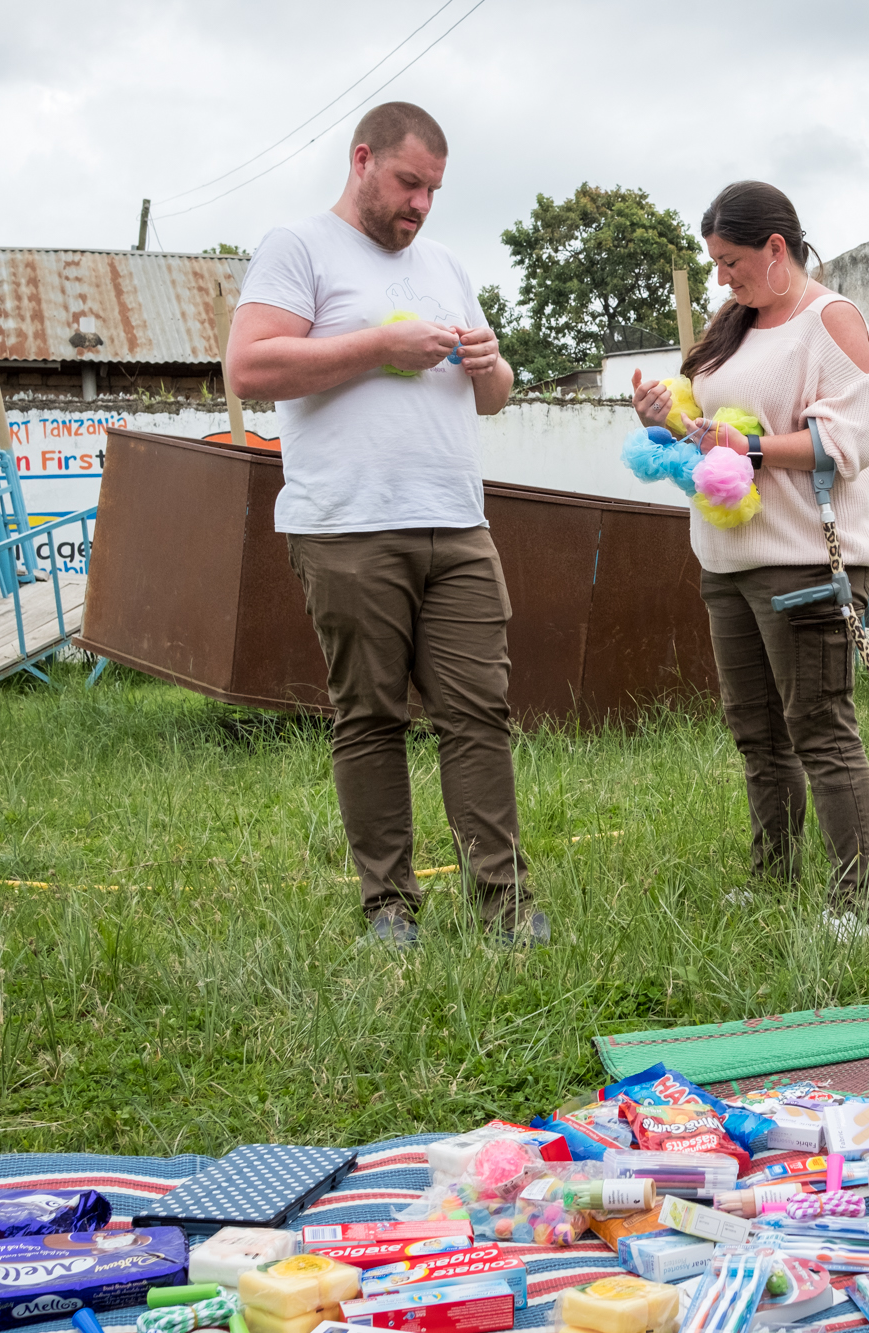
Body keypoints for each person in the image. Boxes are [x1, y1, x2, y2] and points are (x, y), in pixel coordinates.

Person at [227, 102, 543, 948]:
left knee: (480, 711)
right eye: (409, 183)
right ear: (362, 160)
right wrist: (377, 346)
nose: (421, 206)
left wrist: (492, 364)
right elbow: (251, 367)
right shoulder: (298, 248)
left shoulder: (443, 262)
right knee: (370, 715)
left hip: (457, 522)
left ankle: (506, 903)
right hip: (346, 526)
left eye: (434, 190)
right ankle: (389, 906)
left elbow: (493, 395)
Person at [631, 181, 869, 940]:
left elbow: (850, 445)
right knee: (757, 730)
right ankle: (774, 872)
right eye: (713, 263)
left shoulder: (829, 320)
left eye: (732, 260)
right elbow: (710, 432)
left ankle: (857, 900)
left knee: (818, 723)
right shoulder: (730, 325)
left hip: (805, 558)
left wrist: (745, 446)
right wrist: (668, 421)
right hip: (726, 559)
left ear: (777, 249)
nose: (722, 277)